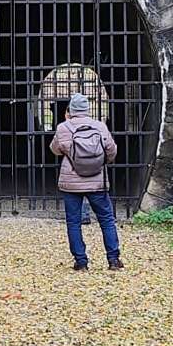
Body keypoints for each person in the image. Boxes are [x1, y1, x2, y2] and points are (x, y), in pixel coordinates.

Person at [50, 92, 123, 272]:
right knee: (106, 219)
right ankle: (113, 259)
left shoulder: (63, 127)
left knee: (73, 222)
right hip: (97, 180)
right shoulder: (99, 126)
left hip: (71, 181)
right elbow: (111, 150)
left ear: (70, 110)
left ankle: (81, 261)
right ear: (87, 109)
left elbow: (55, 150)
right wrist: (99, 162)